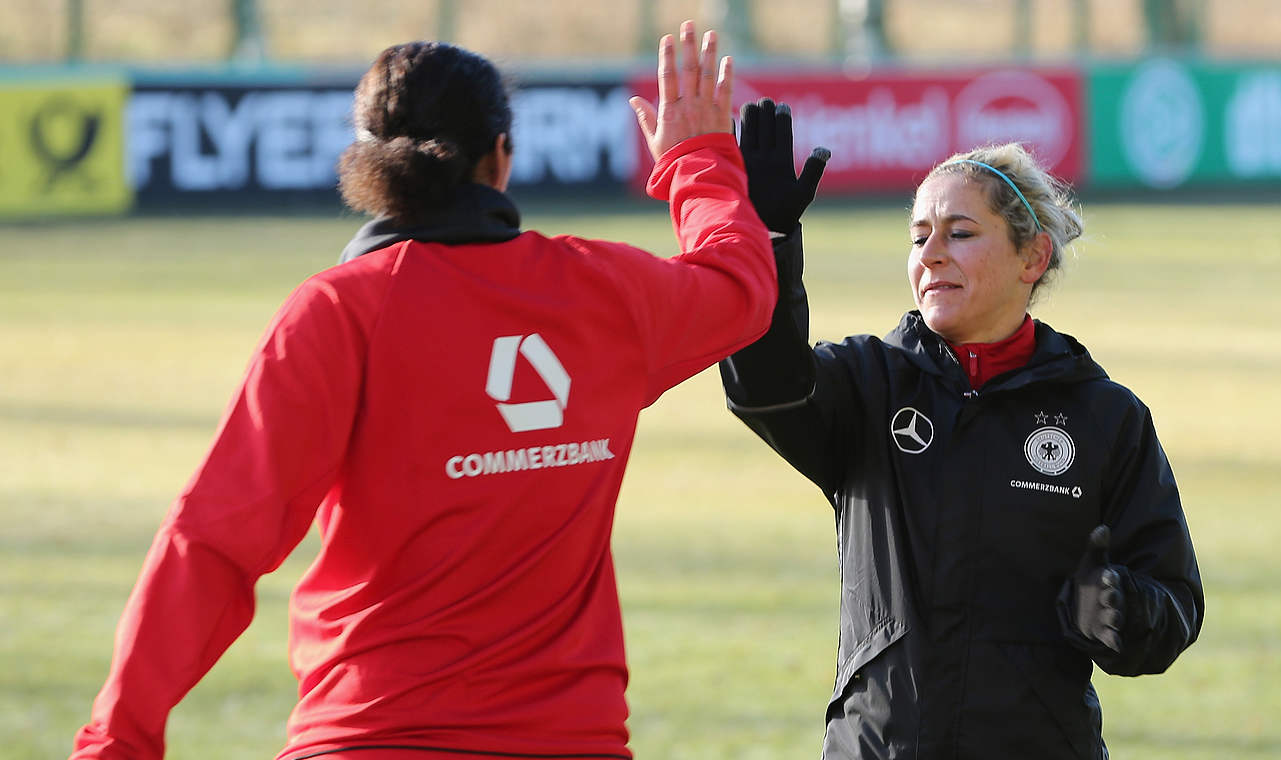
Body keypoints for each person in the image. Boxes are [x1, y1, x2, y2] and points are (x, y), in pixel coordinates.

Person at [70, 22, 774, 760]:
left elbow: (211, 541)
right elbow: (739, 285)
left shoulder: (337, 314)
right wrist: (699, 161)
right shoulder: (606, 293)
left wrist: (116, 739)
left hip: (369, 738)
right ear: (500, 156)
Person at [722, 99, 1204, 759]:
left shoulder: (1106, 417)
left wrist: (1118, 609)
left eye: (960, 233)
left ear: (1032, 257)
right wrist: (766, 239)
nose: (932, 254)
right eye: (919, 236)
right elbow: (764, 386)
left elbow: (1174, 604)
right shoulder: (868, 384)